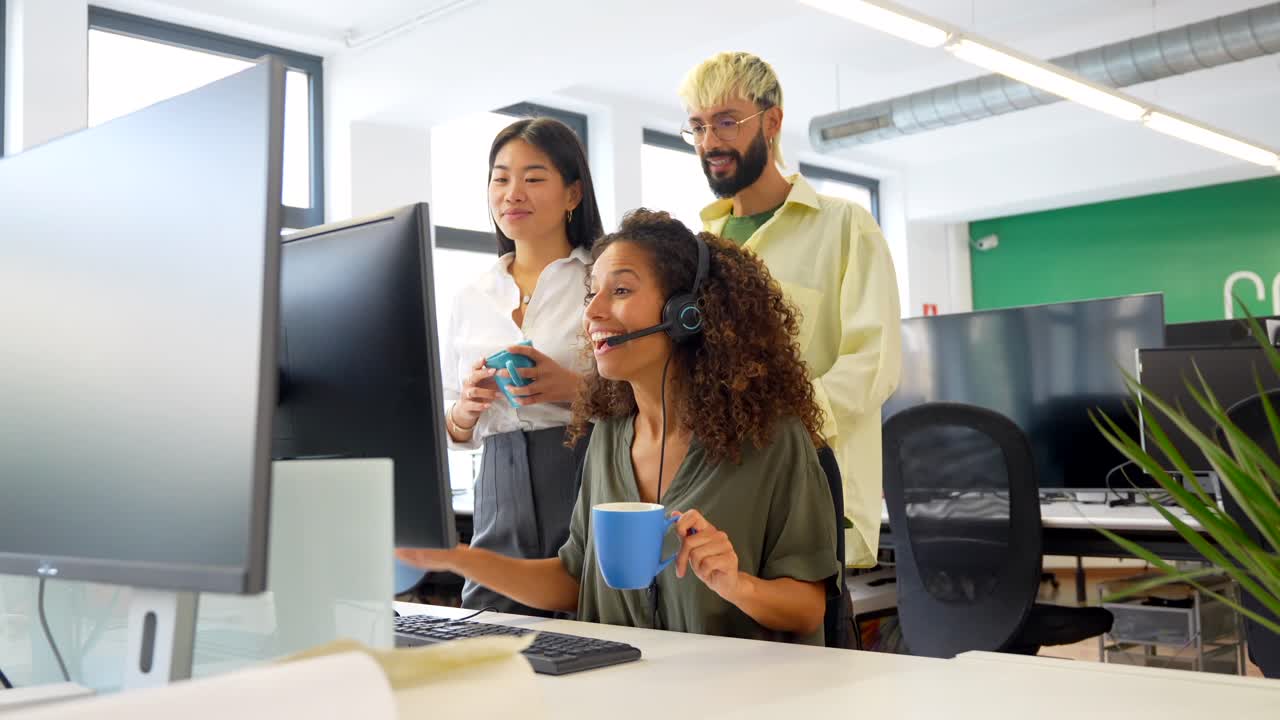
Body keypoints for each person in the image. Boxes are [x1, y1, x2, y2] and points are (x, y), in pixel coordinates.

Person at [401, 209, 840, 645]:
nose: (592, 311)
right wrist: (454, 558)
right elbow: (574, 577)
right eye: (592, 293)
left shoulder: (770, 439)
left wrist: (735, 584)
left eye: (621, 290)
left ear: (687, 313)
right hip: (619, 692)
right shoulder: (608, 436)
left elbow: (807, 609)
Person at [677, 51, 902, 567]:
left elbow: (874, 363)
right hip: (716, 493)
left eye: (727, 122)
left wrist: (779, 434)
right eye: (698, 127)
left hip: (813, 489)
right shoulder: (699, 250)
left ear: (772, 121)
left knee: (808, 641)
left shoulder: (846, 227)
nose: (710, 142)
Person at [437, 117, 604, 615]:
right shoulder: (471, 294)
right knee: (491, 622)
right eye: (500, 177)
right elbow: (448, 419)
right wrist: (464, 411)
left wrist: (573, 389)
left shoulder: (600, 278)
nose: (513, 193)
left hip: (583, 464)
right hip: (496, 476)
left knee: (591, 612)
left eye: (533, 178)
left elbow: (651, 396)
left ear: (573, 193)